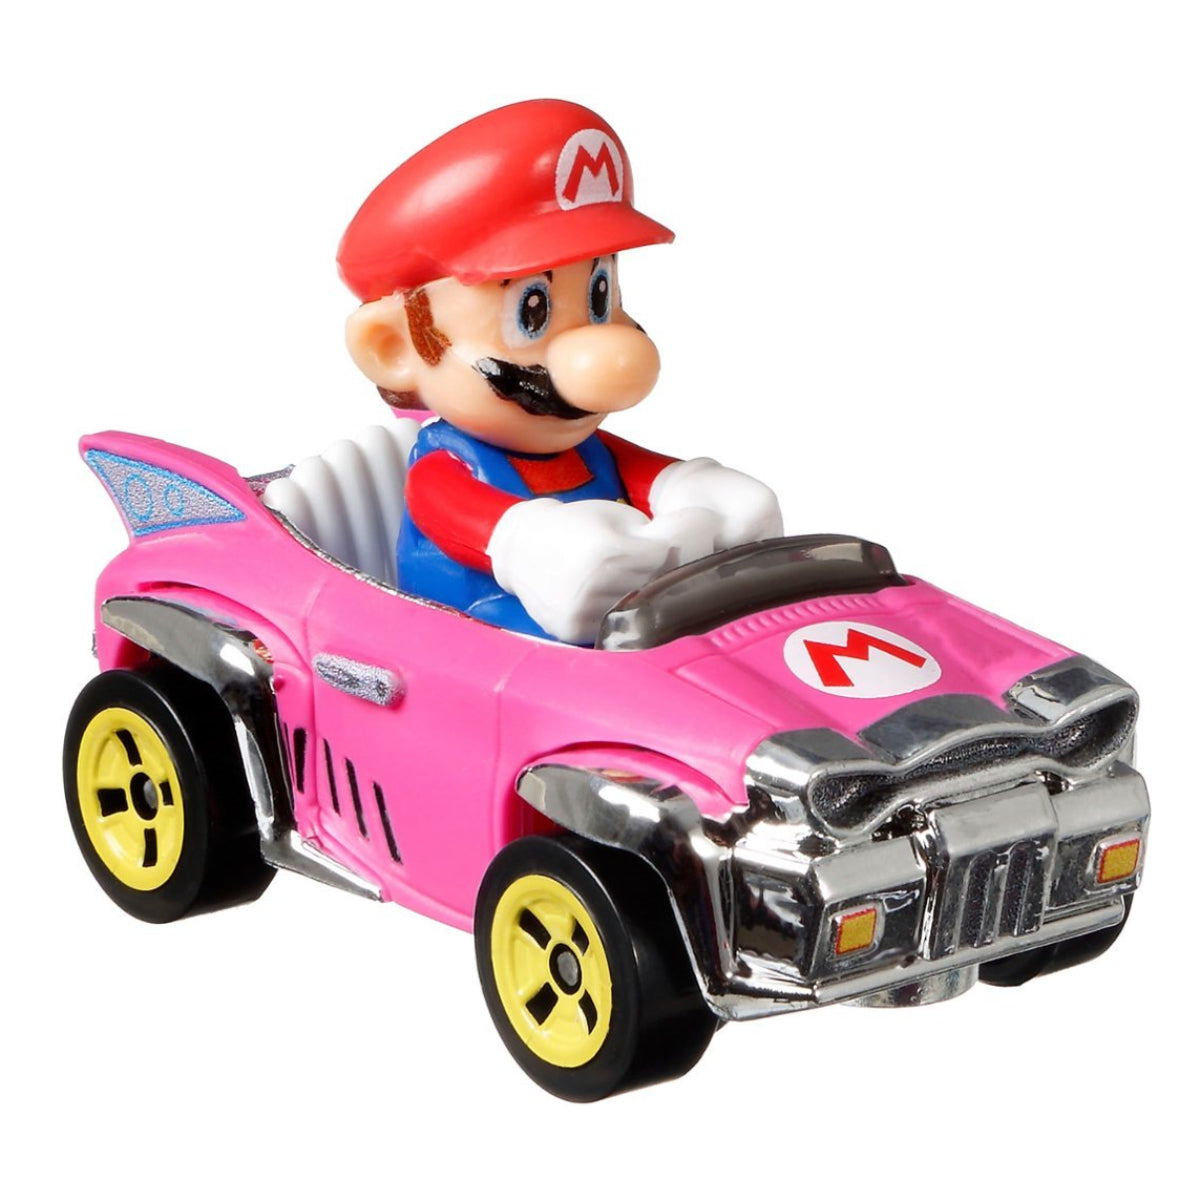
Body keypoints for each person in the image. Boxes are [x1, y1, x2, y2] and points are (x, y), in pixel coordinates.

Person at [337, 99, 782, 644]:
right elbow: (473, 522)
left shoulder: (588, 450)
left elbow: (643, 472)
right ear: (392, 347)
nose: (605, 348)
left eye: (600, 296)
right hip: (472, 622)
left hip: (613, 610)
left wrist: (695, 490)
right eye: (533, 311)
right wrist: (541, 548)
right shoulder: (444, 469)